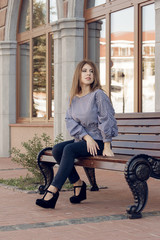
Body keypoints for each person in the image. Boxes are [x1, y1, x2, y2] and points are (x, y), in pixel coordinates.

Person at [36, 59, 118, 209]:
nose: (88, 74)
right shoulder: (74, 97)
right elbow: (69, 120)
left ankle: (52, 191)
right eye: (85, 71)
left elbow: (106, 119)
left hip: (99, 141)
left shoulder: (98, 95)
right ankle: (78, 184)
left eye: (91, 71)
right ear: (78, 75)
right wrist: (86, 137)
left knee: (69, 149)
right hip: (85, 141)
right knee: (57, 149)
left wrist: (106, 145)